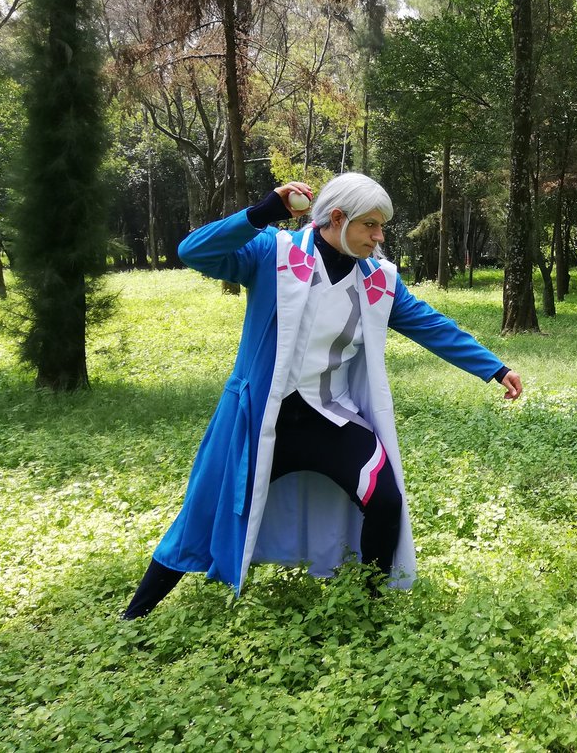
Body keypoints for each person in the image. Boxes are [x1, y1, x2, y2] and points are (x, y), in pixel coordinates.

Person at [123, 173, 522, 619]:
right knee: (202, 511)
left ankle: (371, 606)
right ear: (337, 218)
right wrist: (263, 212)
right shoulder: (273, 253)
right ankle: (135, 616)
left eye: (381, 226)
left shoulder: (379, 280)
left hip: (328, 416)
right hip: (257, 419)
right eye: (370, 225)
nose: (379, 236)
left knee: (385, 500)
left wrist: (494, 368)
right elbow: (194, 251)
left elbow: (430, 324)